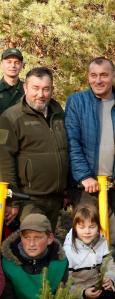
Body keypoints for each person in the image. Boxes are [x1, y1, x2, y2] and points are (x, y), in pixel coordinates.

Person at [65, 56, 115, 262]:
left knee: (113, 239)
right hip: (88, 187)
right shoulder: (77, 101)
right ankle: (85, 285)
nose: (98, 80)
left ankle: (112, 282)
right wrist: (84, 176)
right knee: (86, 237)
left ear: (113, 77)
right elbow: (72, 141)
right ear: (88, 77)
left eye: (104, 75)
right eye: (93, 75)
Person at [0, 67, 68, 230]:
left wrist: (66, 191)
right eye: (35, 88)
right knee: (35, 236)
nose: (40, 94)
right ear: (25, 88)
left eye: (46, 89)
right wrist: (12, 200)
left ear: (52, 89)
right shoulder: (11, 118)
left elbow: (65, 152)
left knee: (46, 242)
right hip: (27, 199)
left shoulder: (59, 113)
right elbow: (4, 161)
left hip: (55, 198)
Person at [63, 204, 115, 299]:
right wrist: (83, 293)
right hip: (77, 291)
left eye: (92, 227)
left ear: (98, 227)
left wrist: (110, 278)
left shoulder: (100, 240)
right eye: (82, 227)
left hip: (95, 284)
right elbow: (63, 285)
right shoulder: (68, 251)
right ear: (75, 228)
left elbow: (110, 264)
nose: (87, 231)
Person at [2, 214, 68, 299]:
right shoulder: (8, 263)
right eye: (27, 237)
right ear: (21, 237)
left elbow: (61, 298)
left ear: (49, 238)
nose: (31, 243)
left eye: (37, 237)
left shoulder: (60, 263)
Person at [0, 48, 24, 115]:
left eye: (17, 62)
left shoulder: (29, 90)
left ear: (22, 65)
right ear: (1, 64)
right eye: (9, 62)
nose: (13, 65)